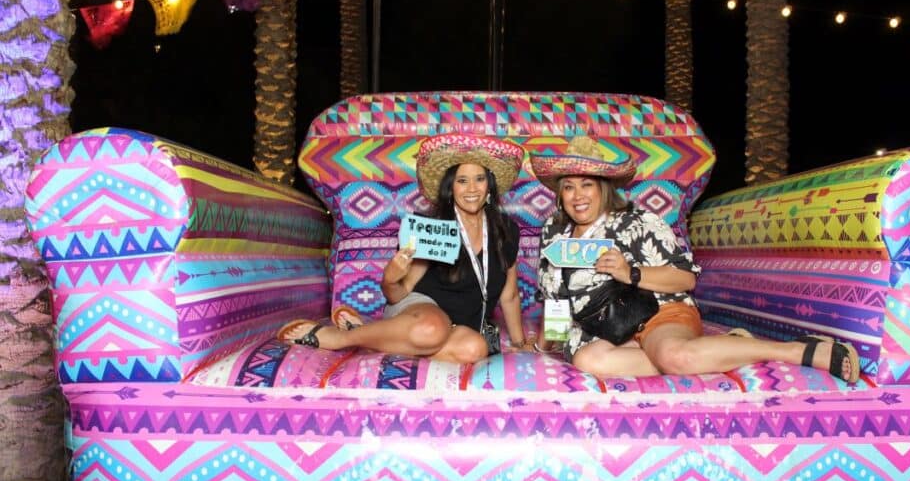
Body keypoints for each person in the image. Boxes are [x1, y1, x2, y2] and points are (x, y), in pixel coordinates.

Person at [532, 135, 860, 383]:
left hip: (658, 313)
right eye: (569, 187)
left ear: (604, 188)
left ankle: (795, 349)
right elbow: (557, 298)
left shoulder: (637, 221)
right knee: (588, 362)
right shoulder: (554, 233)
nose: (578, 196)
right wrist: (546, 344)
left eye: (587, 184)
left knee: (675, 355)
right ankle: (722, 350)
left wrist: (629, 272)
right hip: (604, 332)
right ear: (560, 194)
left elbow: (685, 279)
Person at [278, 133, 531, 363]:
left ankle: (372, 338)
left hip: (460, 326)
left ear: (490, 185)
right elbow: (398, 294)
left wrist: (519, 344)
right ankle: (339, 338)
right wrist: (390, 277)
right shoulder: (432, 227)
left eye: (479, 179)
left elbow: (509, 296)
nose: (472, 189)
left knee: (475, 349)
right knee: (432, 328)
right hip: (418, 311)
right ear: (451, 188)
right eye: (462, 181)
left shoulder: (505, 230)